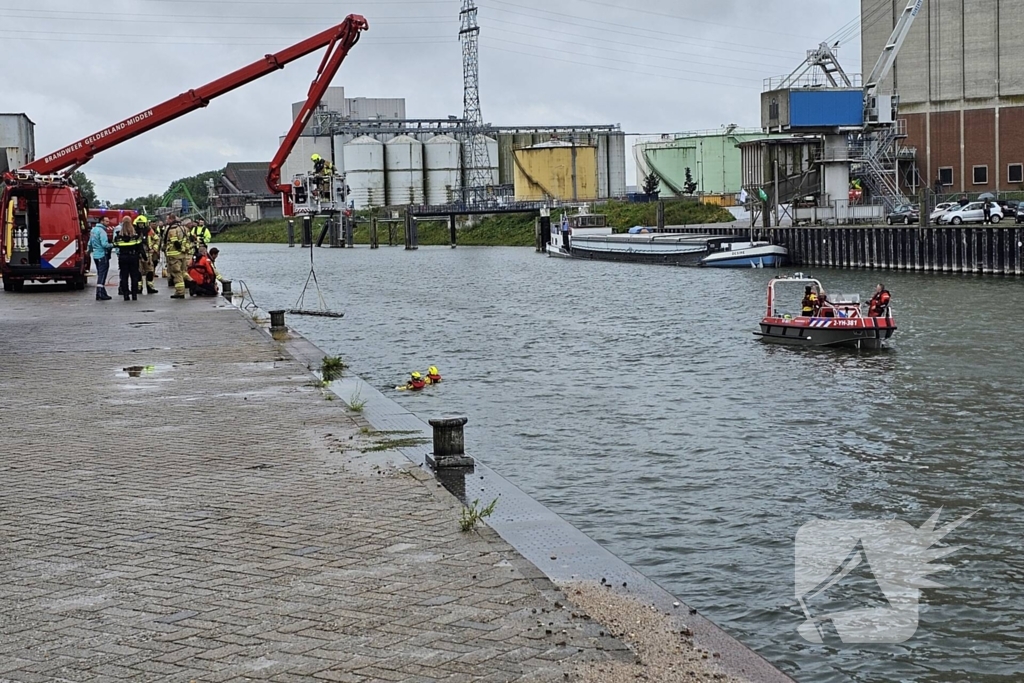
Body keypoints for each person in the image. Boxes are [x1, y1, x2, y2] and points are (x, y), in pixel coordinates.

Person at [114, 219, 143, 301]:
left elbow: (115, 245)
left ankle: (126, 295)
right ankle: (134, 295)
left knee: (124, 277)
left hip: (123, 257)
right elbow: (140, 248)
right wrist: (144, 257)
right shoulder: (136, 237)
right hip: (133, 257)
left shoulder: (118, 237)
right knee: (134, 276)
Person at [163, 218, 190, 299]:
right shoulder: (184, 229)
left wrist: (180, 249)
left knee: (177, 274)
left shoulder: (172, 230)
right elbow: (188, 240)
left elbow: (175, 242)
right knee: (182, 272)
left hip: (174, 255)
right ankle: (192, 282)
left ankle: (180, 292)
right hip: (183, 255)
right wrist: (185, 250)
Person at [88, 216, 114, 300]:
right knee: (102, 275)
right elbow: (104, 244)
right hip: (102, 255)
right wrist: (113, 245)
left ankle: (102, 292)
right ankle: (99, 293)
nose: (108, 223)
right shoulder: (102, 231)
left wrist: (89, 251)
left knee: (100, 273)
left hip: (95, 255)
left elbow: (90, 243)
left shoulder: (93, 230)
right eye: (106, 221)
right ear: (102, 221)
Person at [133, 216, 159, 295]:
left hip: (148, 254)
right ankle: (139, 288)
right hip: (138, 255)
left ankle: (150, 287)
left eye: (142, 223)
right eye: (139, 223)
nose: (140, 225)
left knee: (150, 271)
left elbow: (157, 239)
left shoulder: (149, 230)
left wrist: (154, 248)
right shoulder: (134, 231)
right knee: (138, 271)